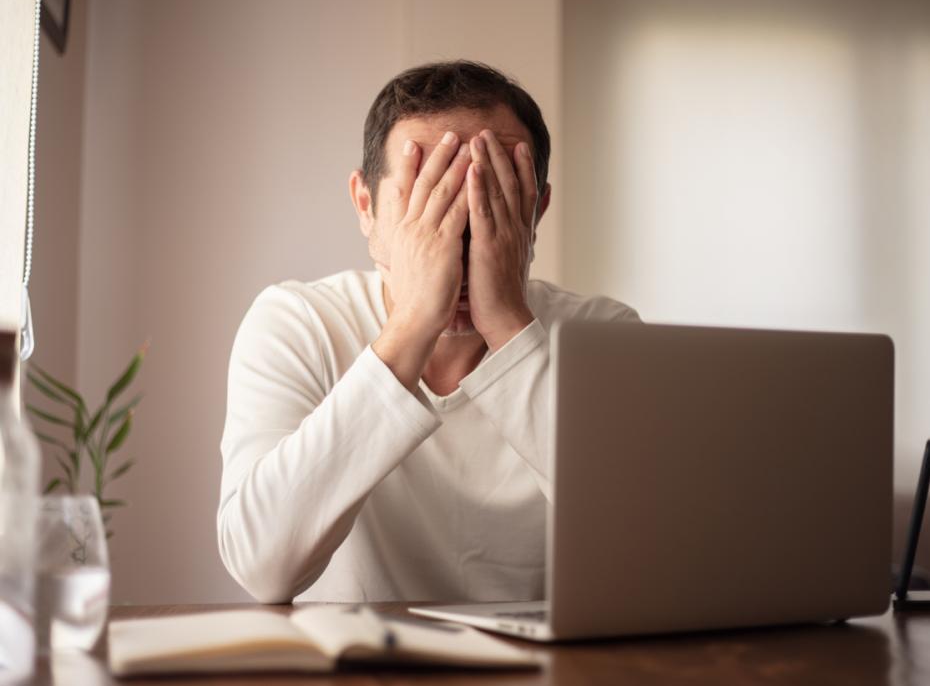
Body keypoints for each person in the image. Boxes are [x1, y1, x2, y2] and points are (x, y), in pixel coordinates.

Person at [218, 61, 638, 604]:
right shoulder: (297, 324)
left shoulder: (603, 336)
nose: (460, 233)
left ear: (536, 209)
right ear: (366, 208)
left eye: (495, 196)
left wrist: (510, 326)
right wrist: (413, 322)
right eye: (428, 197)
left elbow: (643, 548)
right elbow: (260, 566)